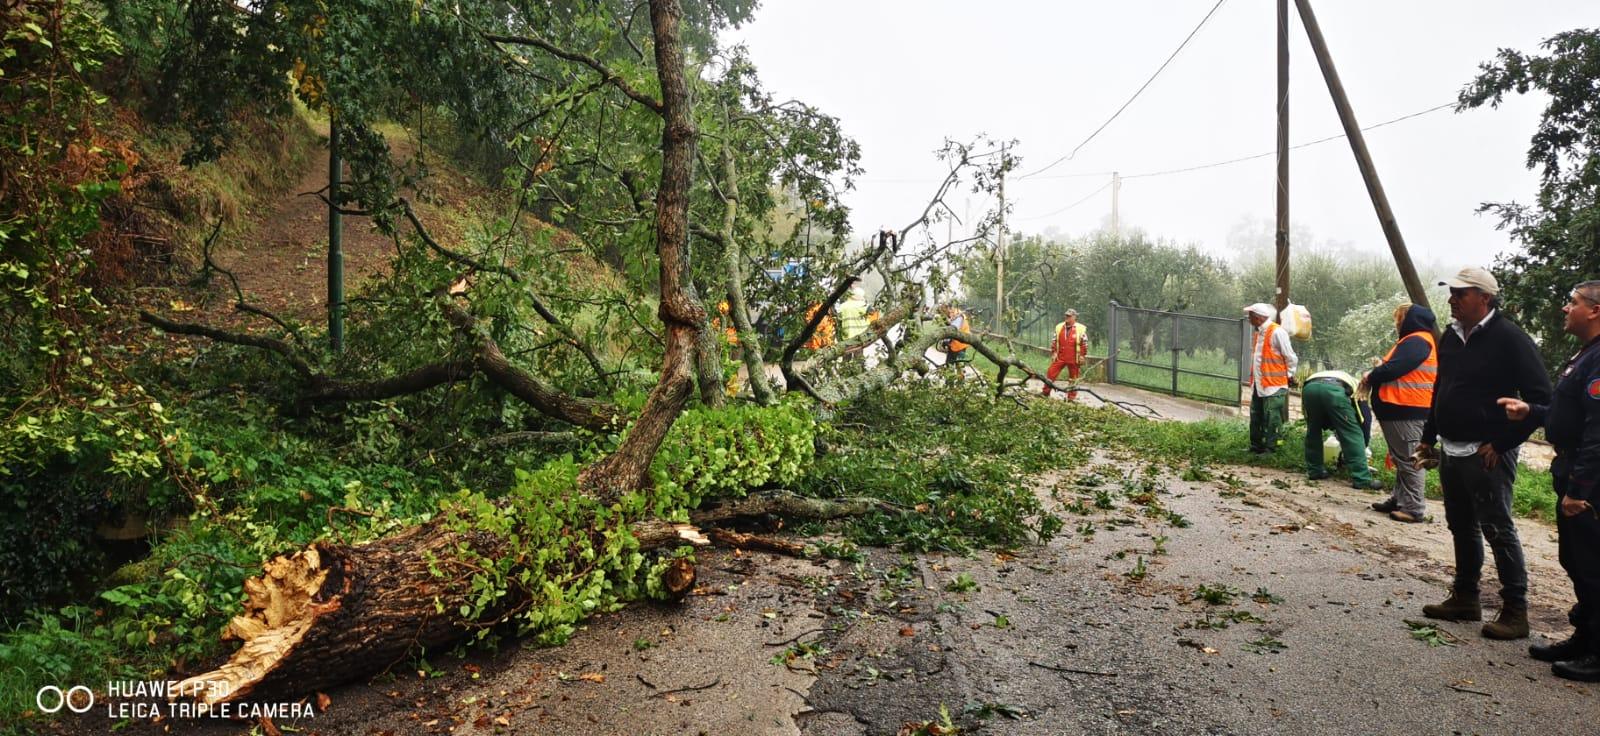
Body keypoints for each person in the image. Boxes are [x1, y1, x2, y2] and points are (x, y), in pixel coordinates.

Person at [1416, 267, 1552, 640]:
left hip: (1487, 452)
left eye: (1461, 293)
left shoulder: (1510, 339)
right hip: (1451, 447)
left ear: (1485, 298)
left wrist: (1504, 442)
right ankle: (1465, 597)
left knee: (1497, 528)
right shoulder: (1451, 338)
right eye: (1451, 292)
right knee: (1461, 524)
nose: (1452, 299)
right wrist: (1429, 436)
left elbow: (1542, 400)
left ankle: (1515, 611)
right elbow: (1440, 387)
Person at [1497, 279, 1600, 680]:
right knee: (1575, 560)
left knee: (1592, 565)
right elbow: (1569, 413)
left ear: (1594, 310)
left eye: (1572, 302)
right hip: (1572, 469)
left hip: (1587, 479)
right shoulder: (1585, 354)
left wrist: (1580, 490)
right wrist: (1534, 412)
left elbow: (1597, 432)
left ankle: (1597, 651)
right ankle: (1584, 636)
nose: (1565, 308)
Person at [1363, 304, 1439, 523]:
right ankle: (1399, 500)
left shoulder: (1417, 341)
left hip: (1407, 410)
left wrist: (1371, 375)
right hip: (1403, 409)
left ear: (1410, 320)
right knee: (1401, 458)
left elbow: (1394, 369)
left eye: (1399, 318)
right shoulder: (1415, 341)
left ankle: (1413, 509)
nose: (1397, 322)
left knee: (1409, 459)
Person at [1302, 370, 1380, 489]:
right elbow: (1365, 421)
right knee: (1352, 433)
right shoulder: (1360, 390)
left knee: (1313, 430)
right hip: (1334, 390)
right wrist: (1363, 444)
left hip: (1309, 388)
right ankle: (1362, 479)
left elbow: (1326, 420)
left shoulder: (1346, 379)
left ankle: (1315, 471)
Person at [1243, 303, 1298, 454]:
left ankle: (1272, 447)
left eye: (1250, 316)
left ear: (1258, 317)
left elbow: (1290, 357)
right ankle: (1256, 446)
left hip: (1274, 385)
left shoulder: (1277, 332)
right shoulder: (1259, 333)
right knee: (1256, 415)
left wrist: (1290, 375)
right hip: (1260, 384)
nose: (1249, 319)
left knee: (1272, 417)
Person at [1045, 309, 1089, 400]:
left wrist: (1082, 355)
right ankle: (1045, 392)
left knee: (1073, 378)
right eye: (1066, 315)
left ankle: (1071, 398)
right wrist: (1054, 352)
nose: (1067, 317)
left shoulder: (1081, 329)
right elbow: (1054, 341)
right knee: (1050, 373)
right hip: (1060, 356)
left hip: (1074, 358)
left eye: (1069, 316)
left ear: (1074, 317)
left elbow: (1084, 343)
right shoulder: (1059, 327)